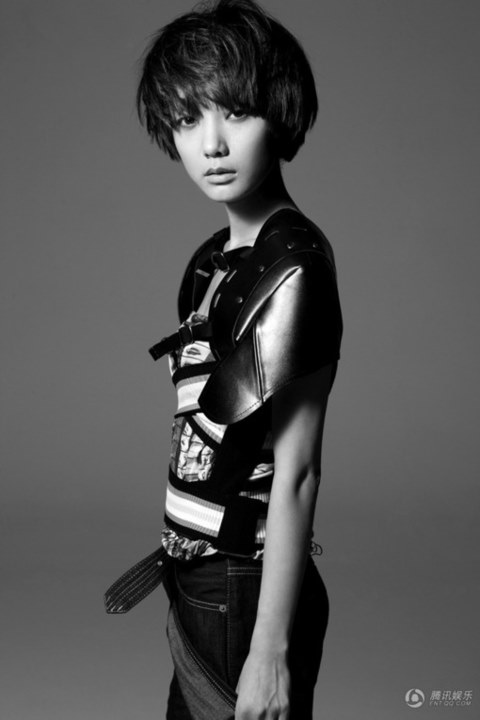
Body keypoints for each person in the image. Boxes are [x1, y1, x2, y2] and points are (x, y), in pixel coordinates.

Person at [105, 1, 343, 718]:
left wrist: (270, 651)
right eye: (187, 119)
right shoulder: (213, 261)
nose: (210, 144)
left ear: (278, 113)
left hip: (246, 584)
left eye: (235, 113)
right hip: (198, 579)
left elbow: (296, 473)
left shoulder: (293, 265)